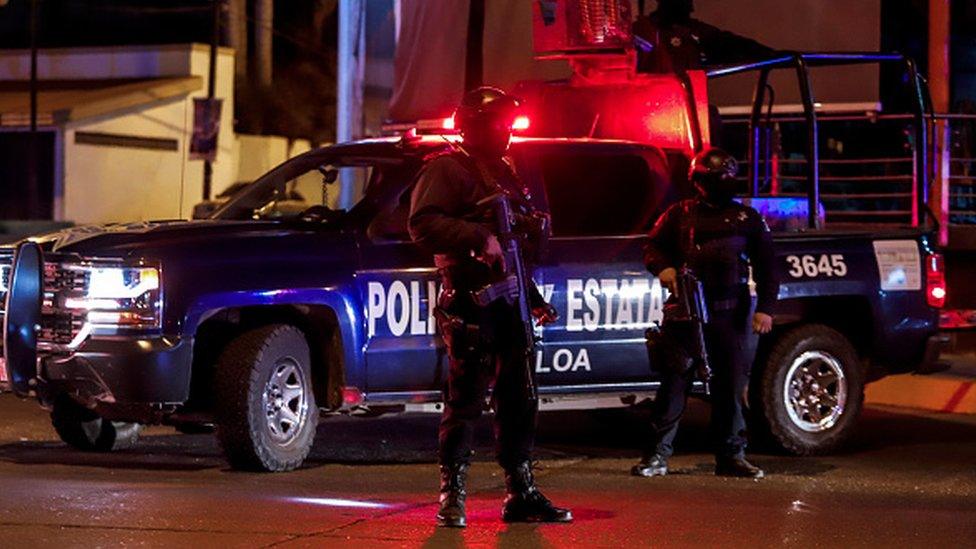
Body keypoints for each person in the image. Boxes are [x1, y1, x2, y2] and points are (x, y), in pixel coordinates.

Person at [409, 86, 572, 528]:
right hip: (471, 305)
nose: (508, 133)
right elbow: (422, 225)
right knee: (464, 402)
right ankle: (452, 496)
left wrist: (533, 299)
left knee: (519, 400)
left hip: (511, 304)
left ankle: (520, 492)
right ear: (479, 126)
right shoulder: (446, 168)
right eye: (502, 124)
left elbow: (515, 246)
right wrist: (478, 239)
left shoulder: (501, 171)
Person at [634, 147, 778, 479]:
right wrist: (664, 268)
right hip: (685, 315)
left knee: (729, 388)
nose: (722, 184)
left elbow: (768, 267)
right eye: (716, 179)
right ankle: (656, 456)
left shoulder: (747, 219)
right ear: (699, 181)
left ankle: (731, 456)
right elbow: (652, 246)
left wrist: (766, 310)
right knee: (674, 385)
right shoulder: (679, 214)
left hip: (729, 316)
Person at [633, 0, 776, 74]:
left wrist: (774, 55)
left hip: (686, 110)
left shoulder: (697, 32)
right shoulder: (643, 32)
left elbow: (730, 44)